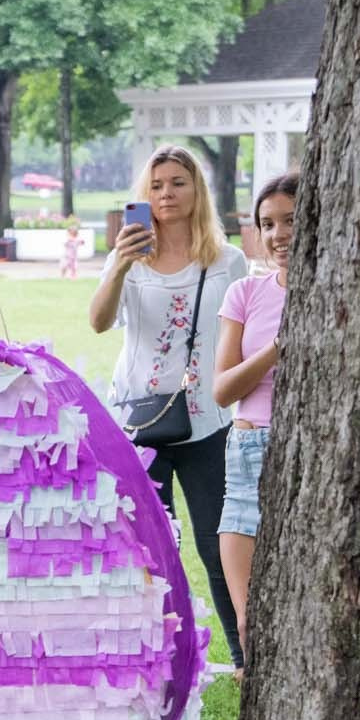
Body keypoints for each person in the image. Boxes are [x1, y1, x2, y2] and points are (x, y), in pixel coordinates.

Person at [89, 143, 250, 666]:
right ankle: (149, 660)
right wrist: (118, 266)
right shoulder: (129, 258)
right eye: (156, 185)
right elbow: (97, 321)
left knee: (219, 546)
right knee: (145, 549)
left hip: (209, 423)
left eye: (178, 182)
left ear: (196, 190)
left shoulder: (228, 261)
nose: (166, 194)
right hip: (139, 425)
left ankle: (245, 657)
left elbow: (242, 339)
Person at [212, 171, 296, 669]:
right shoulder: (246, 292)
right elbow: (223, 389)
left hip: (302, 452)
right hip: (246, 455)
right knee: (249, 625)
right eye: (267, 224)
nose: (278, 234)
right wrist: (274, 351)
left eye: (289, 220)